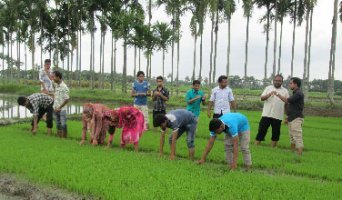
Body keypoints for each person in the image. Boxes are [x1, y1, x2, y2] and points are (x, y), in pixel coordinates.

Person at [255, 74, 289, 147]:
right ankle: (256, 145)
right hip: (266, 114)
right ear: (273, 81)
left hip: (278, 115)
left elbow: (287, 103)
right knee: (261, 130)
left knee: (276, 132)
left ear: (282, 82)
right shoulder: (268, 88)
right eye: (276, 80)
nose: (277, 82)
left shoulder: (285, 91)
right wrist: (269, 94)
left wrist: (287, 115)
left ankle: (273, 147)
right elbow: (262, 98)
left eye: (279, 81)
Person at [274, 77, 304, 156]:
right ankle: (292, 152)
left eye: (291, 83)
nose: (289, 85)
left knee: (297, 136)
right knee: (292, 137)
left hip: (296, 118)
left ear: (295, 84)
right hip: (292, 118)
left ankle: (299, 155)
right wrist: (288, 118)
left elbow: (287, 101)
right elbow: (292, 107)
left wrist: (277, 94)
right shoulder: (295, 93)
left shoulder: (298, 93)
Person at [52, 71, 69, 138]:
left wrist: (59, 107)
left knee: (63, 124)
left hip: (62, 109)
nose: (53, 78)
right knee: (57, 124)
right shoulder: (56, 85)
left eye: (54, 77)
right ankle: (59, 137)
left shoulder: (64, 87)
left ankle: (64, 138)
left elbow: (67, 99)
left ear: (58, 77)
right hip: (55, 108)